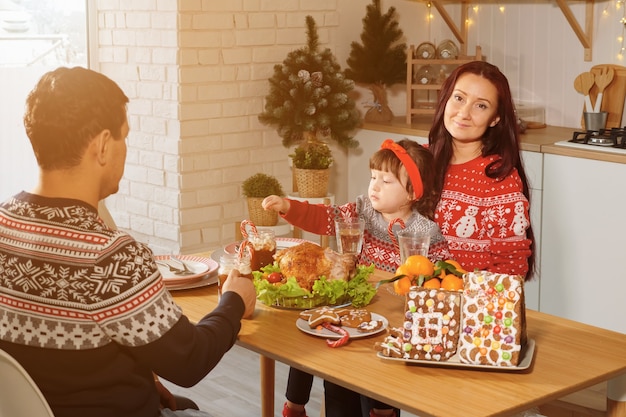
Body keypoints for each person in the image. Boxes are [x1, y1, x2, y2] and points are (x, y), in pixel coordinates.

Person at [0, 67, 257, 417]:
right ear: (103, 145)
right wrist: (235, 301)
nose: (126, 150)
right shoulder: (109, 256)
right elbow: (190, 360)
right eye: (124, 137)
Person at [262, 138, 452, 417]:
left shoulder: (426, 232)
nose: (374, 186)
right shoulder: (362, 210)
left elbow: (441, 280)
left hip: (392, 323)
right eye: (373, 177)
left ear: (413, 191)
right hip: (353, 315)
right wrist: (288, 207)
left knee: (380, 394)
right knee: (338, 383)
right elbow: (325, 217)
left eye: (386, 181)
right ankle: (295, 407)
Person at [429, 60, 535, 279]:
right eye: (459, 98)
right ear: (445, 99)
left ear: (495, 118)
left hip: (472, 307)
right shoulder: (419, 161)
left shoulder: (500, 179)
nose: (464, 113)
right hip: (416, 301)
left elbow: (511, 270)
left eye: (481, 105)